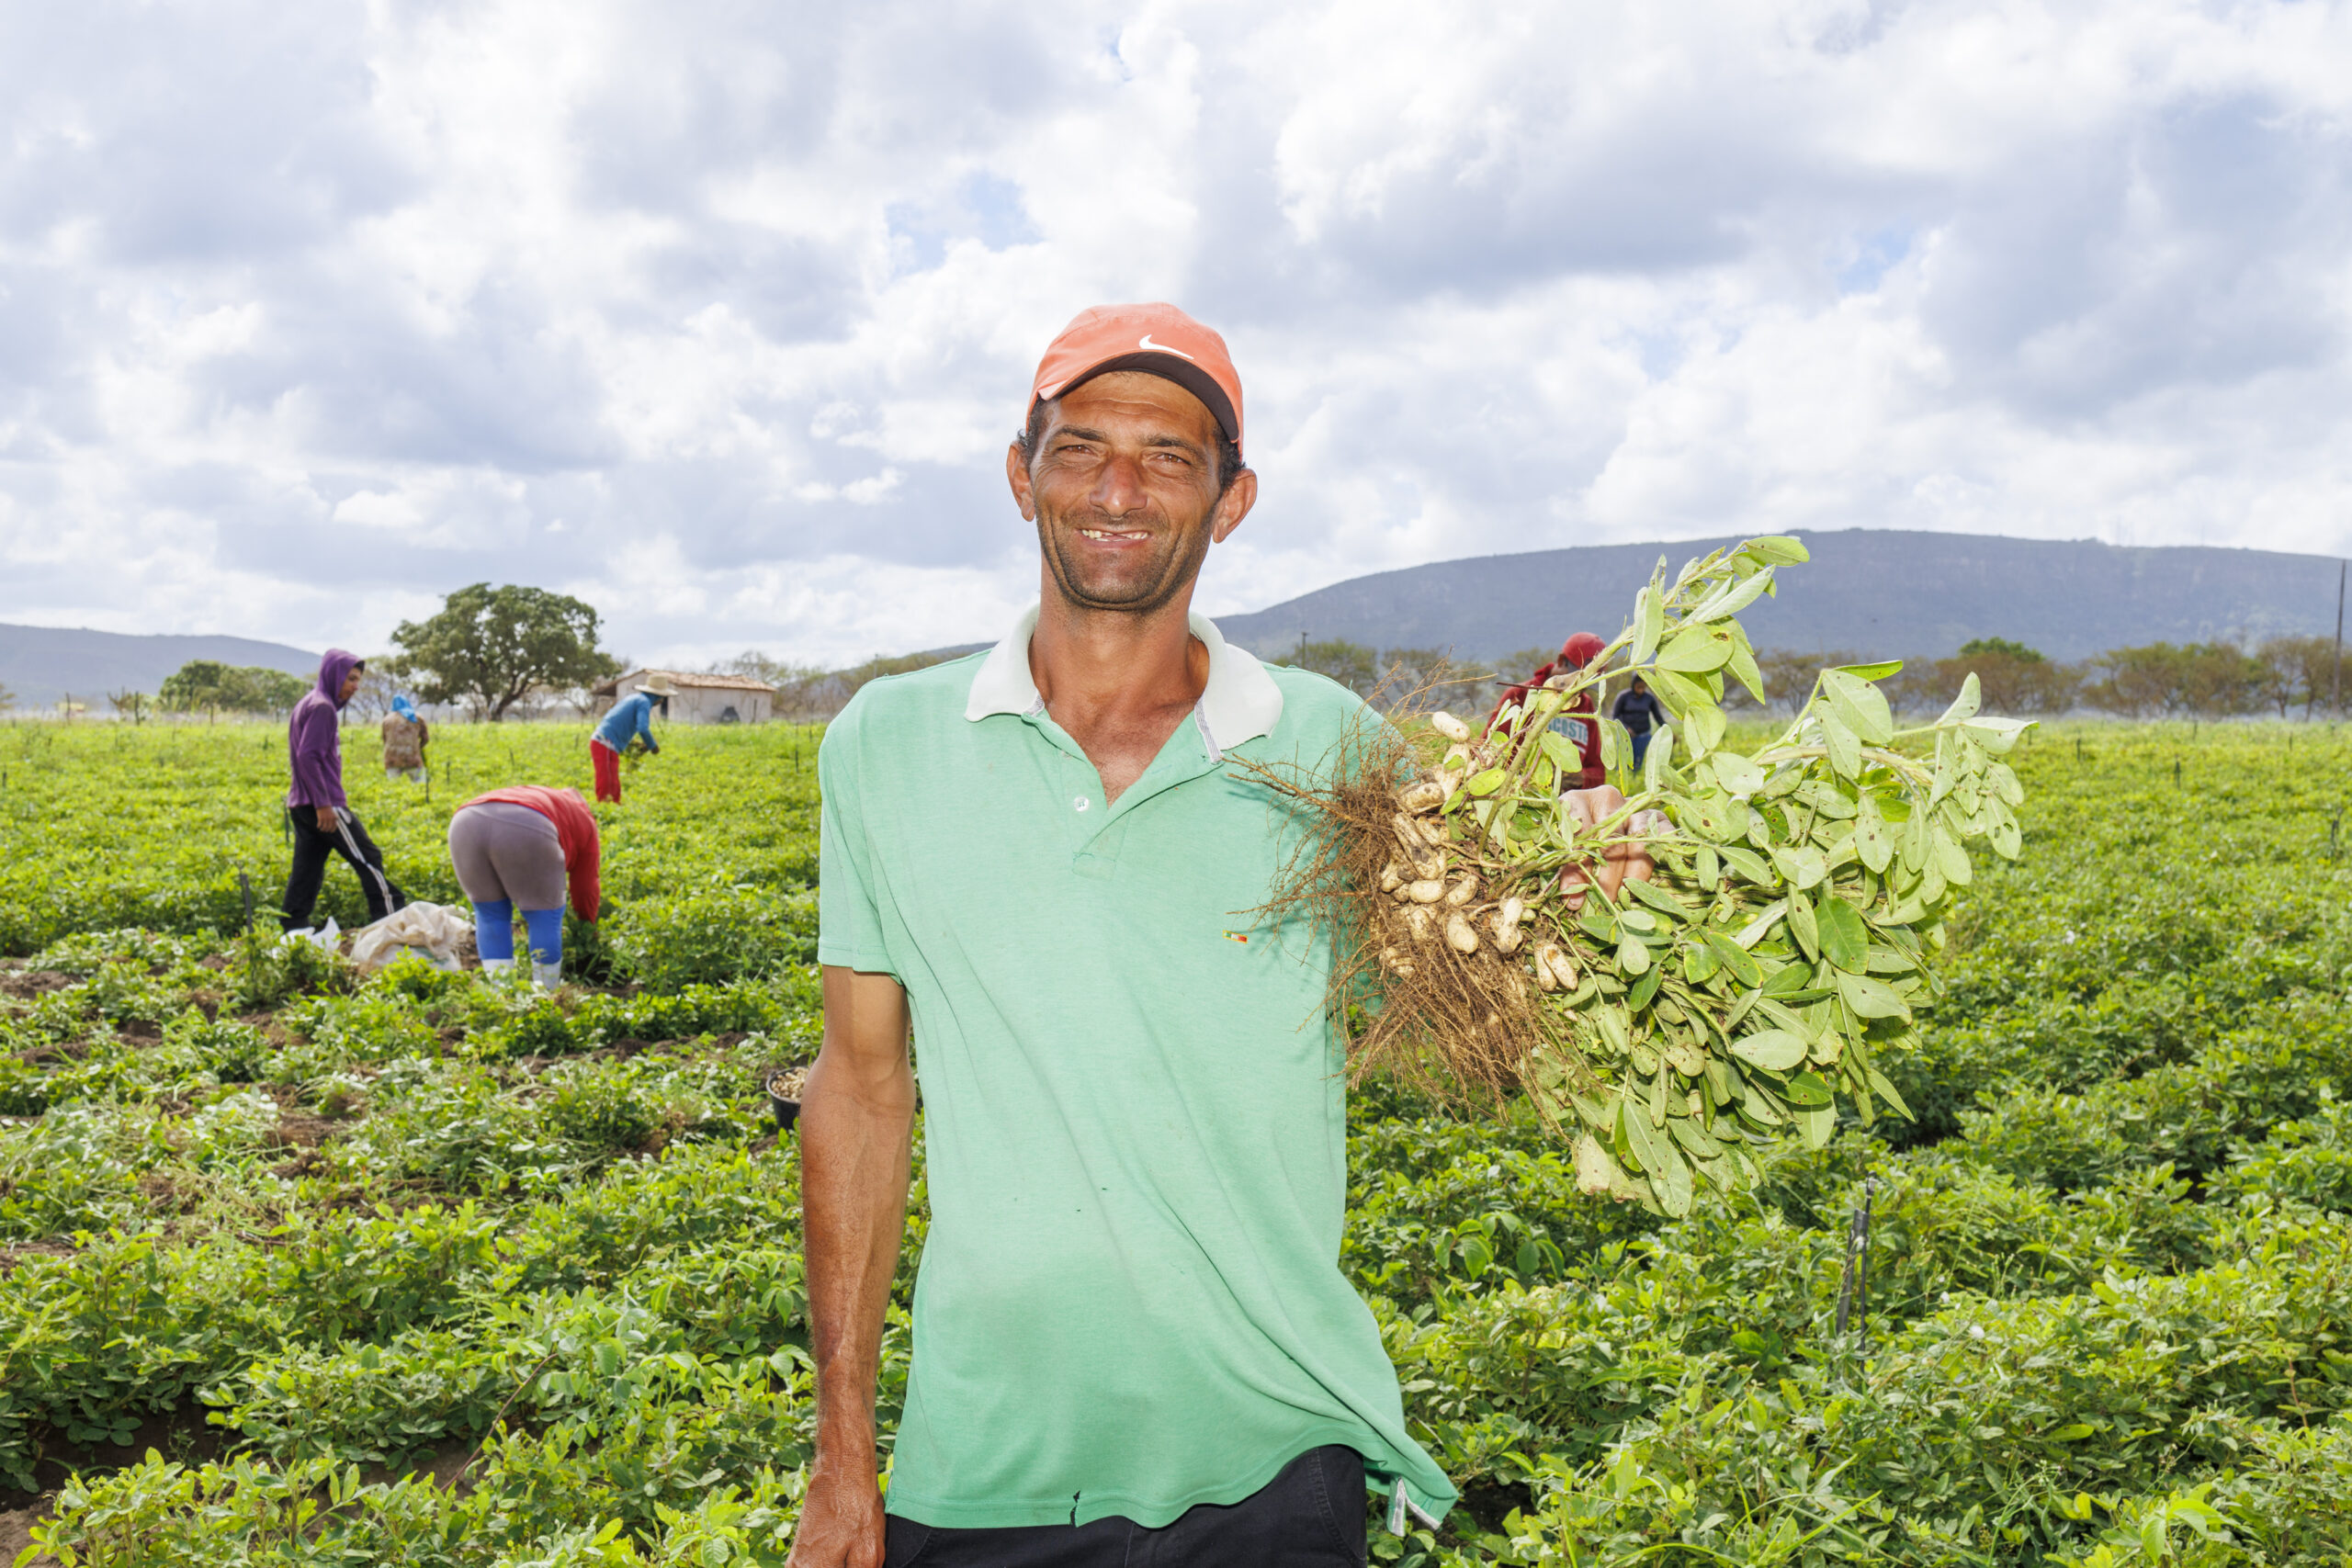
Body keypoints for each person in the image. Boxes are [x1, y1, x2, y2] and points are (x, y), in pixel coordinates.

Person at [788, 303, 1656, 1568]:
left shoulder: (1336, 748)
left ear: (1233, 499)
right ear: (1020, 472)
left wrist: (1587, 899)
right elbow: (861, 1087)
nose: (1118, 489)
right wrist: (843, 1450)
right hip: (982, 1458)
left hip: (1273, 1443)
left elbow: (1483, 1000)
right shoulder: (887, 743)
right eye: (1080, 448)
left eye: (1170, 457)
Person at [281, 649, 406, 931]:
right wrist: (324, 804)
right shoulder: (323, 707)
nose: (355, 686)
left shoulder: (308, 703)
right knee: (369, 858)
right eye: (350, 678)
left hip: (301, 803)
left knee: (307, 870)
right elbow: (308, 756)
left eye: (358, 680)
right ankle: (392, 924)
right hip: (322, 804)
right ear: (333, 675)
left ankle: (294, 929)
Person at [447, 784, 600, 988]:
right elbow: (585, 886)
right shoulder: (584, 819)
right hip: (527, 825)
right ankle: (546, 994)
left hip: (465, 822)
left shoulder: (543, 796)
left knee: (490, 914)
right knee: (544, 915)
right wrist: (585, 926)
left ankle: (501, 993)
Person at [1492, 632, 1609, 790]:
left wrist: (1580, 777)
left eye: (1586, 684)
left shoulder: (1586, 707)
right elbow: (1489, 755)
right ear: (1561, 661)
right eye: (1576, 679)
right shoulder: (1520, 695)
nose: (1578, 689)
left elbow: (1598, 772)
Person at [591, 673, 673, 803]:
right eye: (662, 697)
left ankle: (615, 806)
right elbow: (643, 728)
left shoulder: (635, 699)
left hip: (608, 742)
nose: (662, 701)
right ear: (658, 696)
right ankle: (603, 808)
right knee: (606, 780)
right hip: (604, 741)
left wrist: (631, 743)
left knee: (613, 780)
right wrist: (652, 746)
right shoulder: (644, 702)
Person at [381, 694, 431, 783]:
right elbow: (425, 738)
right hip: (413, 758)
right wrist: (417, 748)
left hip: (392, 759)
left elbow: (385, 739)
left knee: (393, 786)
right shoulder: (417, 717)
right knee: (420, 785)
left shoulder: (387, 719)